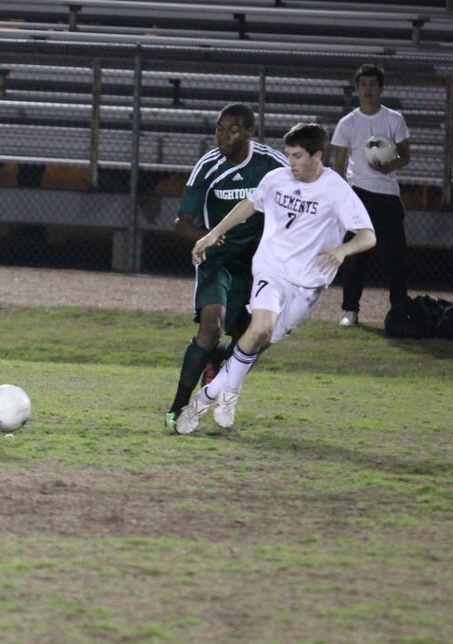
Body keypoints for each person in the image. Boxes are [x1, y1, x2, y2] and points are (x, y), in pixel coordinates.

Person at [175, 122, 376, 435]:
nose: (291, 162)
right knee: (259, 328)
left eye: (297, 156)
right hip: (271, 269)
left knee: (259, 342)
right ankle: (209, 401)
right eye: (289, 154)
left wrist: (342, 250)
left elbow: (368, 236)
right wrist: (212, 234)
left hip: (307, 285)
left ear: (317, 156)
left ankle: (216, 393)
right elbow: (248, 206)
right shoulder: (276, 179)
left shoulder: (336, 190)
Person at [164, 104, 288, 430]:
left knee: (254, 339)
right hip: (216, 259)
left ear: (250, 133)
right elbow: (181, 223)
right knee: (210, 326)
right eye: (219, 128)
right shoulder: (208, 166)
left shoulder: (273, 165)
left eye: (232, 130)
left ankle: (220, 362)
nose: (223, 136)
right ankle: (177, 407)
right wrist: (206, 237)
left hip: (258, 263)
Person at [332, 63, 411, 326]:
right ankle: (350, 311)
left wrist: (388, 166)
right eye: (363, 84)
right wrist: (342, 196)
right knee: (356, 255)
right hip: (359, 195)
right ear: (357, 88)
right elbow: (339, 163)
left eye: (373, 84)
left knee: (396, 255)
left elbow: (405, 156)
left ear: (381, 88)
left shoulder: (394, 119)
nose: (368, 89)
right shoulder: (348, 123)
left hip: (388, 194)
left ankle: (400, 309)